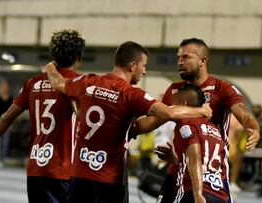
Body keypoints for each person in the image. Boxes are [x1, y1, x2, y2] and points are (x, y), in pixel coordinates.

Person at [43, 41, 212, 203]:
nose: (144, 71)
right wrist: (202, 111)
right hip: (109, 179)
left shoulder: (88, 81)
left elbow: (58, 83)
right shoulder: (131, 94)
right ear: (132, 66)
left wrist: (50, 67)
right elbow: (168, 112)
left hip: (79, 176)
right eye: (143, 66)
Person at [0, 29, 85, 203]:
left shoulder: (33, 83)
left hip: (36, 169)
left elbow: (5, 118)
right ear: (78, 57)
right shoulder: (80, 83)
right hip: (63, 170)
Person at [151, 38, 260, 203]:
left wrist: (254, 129)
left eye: (186, 57)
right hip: (179, 169)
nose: (180, 62)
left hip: (212, 172)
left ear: (203, 61)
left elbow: (245, 115)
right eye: (178, 57)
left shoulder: (222, 88)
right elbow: (153, 120)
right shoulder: (174, 90)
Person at [171, 83, 228, 203]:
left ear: (184, 104)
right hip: (219, 194)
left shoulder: (186, 125)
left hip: (193, 191)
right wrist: (173, 159)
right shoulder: (215, 130)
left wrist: (198, 195)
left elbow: (194, 158)